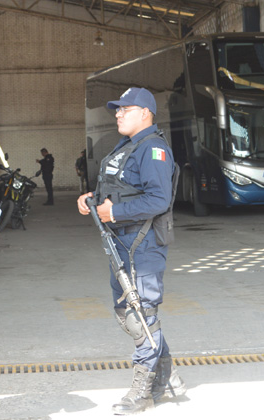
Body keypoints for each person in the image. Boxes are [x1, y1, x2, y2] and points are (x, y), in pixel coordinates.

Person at [76, 87, 185, 415]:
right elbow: (121, 189)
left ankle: (142, 392)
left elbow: (158, 199)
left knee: (141, 314)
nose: (118, 114)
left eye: (126, 109)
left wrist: (115, 213)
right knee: (128, 313)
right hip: (122, 243)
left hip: (143, 244)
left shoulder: (154, 149)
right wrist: (92, 200)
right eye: (117, 109)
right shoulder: (127, 146)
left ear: (146, 113)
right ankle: (166, 376)